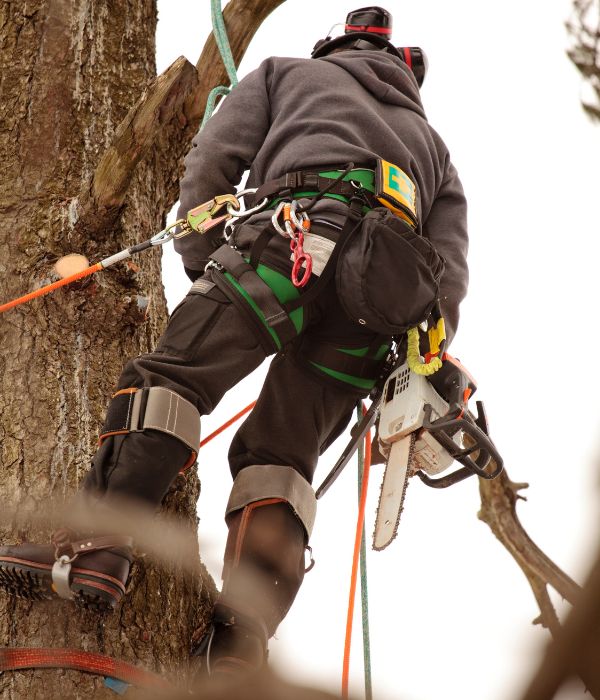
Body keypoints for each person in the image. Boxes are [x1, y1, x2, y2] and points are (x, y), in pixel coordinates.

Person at [0, 6, 468, 677]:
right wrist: (421, 370)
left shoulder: (289, 73)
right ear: (407, 74)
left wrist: (202, 262)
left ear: (334, 48)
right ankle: (240, 643)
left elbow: (214, 160)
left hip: (291, 239)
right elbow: (447, 276)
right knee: (281, 460)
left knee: (170, 380)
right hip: (382, 307)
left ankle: (95, 551)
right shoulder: (433, 149)